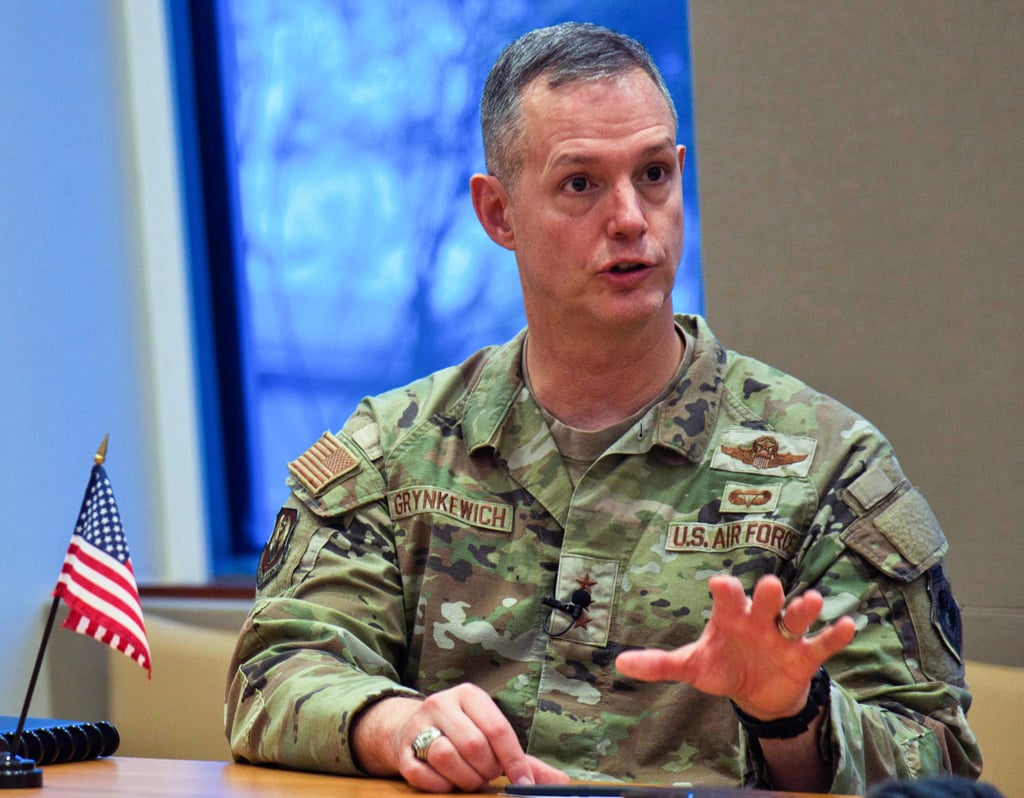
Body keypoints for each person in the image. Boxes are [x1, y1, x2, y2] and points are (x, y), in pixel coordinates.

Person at [225, 22, 981, 794]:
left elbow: (940, 764)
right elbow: (274, 674)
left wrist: (793, 715)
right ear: (498, 213)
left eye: (653, 174)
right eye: (581, 184)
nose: (629, 218)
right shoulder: (395, 452)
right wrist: (395, 725)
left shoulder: (827, 467)